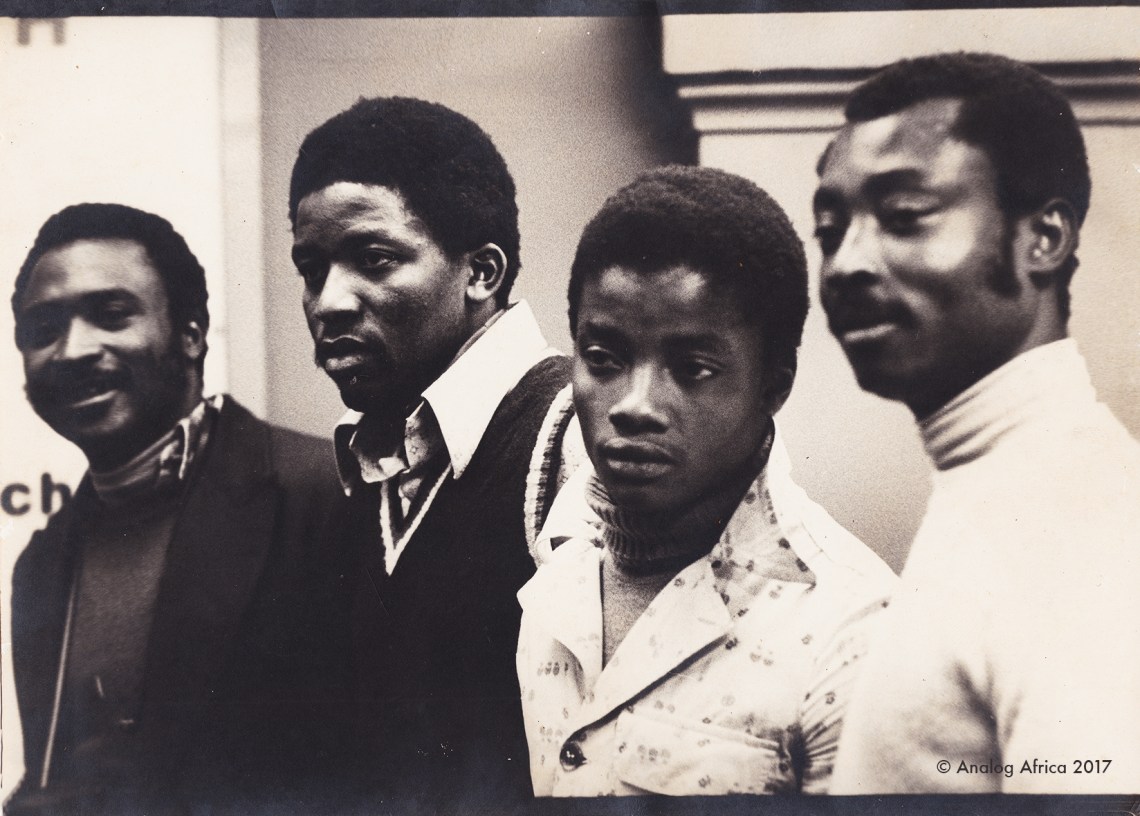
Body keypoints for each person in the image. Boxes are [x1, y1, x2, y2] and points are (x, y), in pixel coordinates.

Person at [814, 52, 1140, 793]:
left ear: (1043, 239)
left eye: (903, 217)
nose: (844, 265)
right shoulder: (1006, 485)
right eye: (830, 231)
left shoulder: (1071, 521)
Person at [516, 165, 897, 797]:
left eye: (692, 368)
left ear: (774, 385)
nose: (634, 403)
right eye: (603, 359)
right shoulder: (557, 573)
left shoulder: (853, 632)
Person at [7, 203, 350, 813]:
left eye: (112, 316)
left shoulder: (326, 494)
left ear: (192, 334)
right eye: (42, 331)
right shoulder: (41, 562)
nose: (72, 350)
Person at [288, 96, 581, 805]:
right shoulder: (378, 462)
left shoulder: (578, 433)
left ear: (481, 272)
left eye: (374, 258)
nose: (327, 302)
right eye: (312, 267)